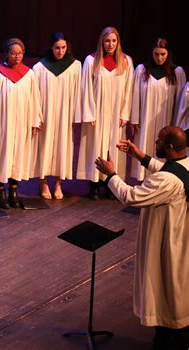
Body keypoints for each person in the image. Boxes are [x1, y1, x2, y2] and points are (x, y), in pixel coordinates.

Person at [95, 126, 188, 350]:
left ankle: (170, 340)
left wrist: (111, 175)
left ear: (171, 147)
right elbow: (168, 169)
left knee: (167, 291)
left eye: (159, 142)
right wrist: (140, 156)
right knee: (178, 290)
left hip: (169, 242)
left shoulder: (166, 181)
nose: (155, 144)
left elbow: (131, 196)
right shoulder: (185, 164)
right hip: (181, 236)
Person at [0, 38, 41, 209]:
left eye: (20, 53)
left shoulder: (28, 74)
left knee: (18, 157)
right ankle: (0, 192)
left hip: (22, 123)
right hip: (2, 124)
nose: (17, 57)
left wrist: (34, 122)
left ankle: (14, 191)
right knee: (1, 156)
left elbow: (34, 99)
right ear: (7, 54)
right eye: (14, 53)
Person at [76, 26, 134, 199]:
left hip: (116, 113)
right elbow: (85, 88)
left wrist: (125, 114)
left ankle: (110, 184)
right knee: (96, 146)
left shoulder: (126, 61)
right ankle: (94, 184)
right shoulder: (91, 61)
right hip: (97, 112)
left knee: (112, 148)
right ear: (102, 41)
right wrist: (89, 113)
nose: (110, 44)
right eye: (107, 41)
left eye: (114, 41)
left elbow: (128, 90)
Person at [32, 32, 81, 199]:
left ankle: (59, 183)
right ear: (51, 48)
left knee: (63, 145)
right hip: (46, 112)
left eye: (63, 48)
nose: (60, 52)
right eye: (57, 48)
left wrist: (75, 116)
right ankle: (43, 182)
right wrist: (37, 116)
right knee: (44, 145)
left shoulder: (75, 66)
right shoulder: (40, 68)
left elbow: (78, 92)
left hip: (65, 112)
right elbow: (35, 95)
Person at [130, 38, 186, 180]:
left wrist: (177, 125)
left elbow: (181, 102)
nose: (159, 58)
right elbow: (135, 95)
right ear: (152, 53)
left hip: (166, 120)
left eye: (163, 54)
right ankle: (143, 179)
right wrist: (134, 119)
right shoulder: (142, 70)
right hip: (145, 118)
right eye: (156, 54)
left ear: (168, 54)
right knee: (145, 144)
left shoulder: (176, 72)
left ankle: (162, 179)